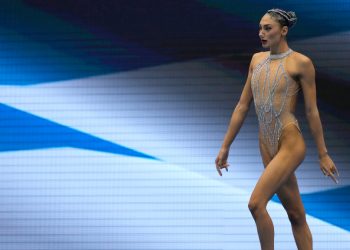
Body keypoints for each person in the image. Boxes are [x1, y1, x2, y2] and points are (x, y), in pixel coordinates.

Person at [215, 8, 339, 250]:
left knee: (256, 204)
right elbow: (242, 106)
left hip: (290, 143)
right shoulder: (256, 60)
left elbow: (312, 111)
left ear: (283, 31)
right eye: (260, 28)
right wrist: (225, 146)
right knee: (295, 214)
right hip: (266, 145)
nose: (261, 33)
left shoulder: (301, 63)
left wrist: (323, 153)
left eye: (267, 28)